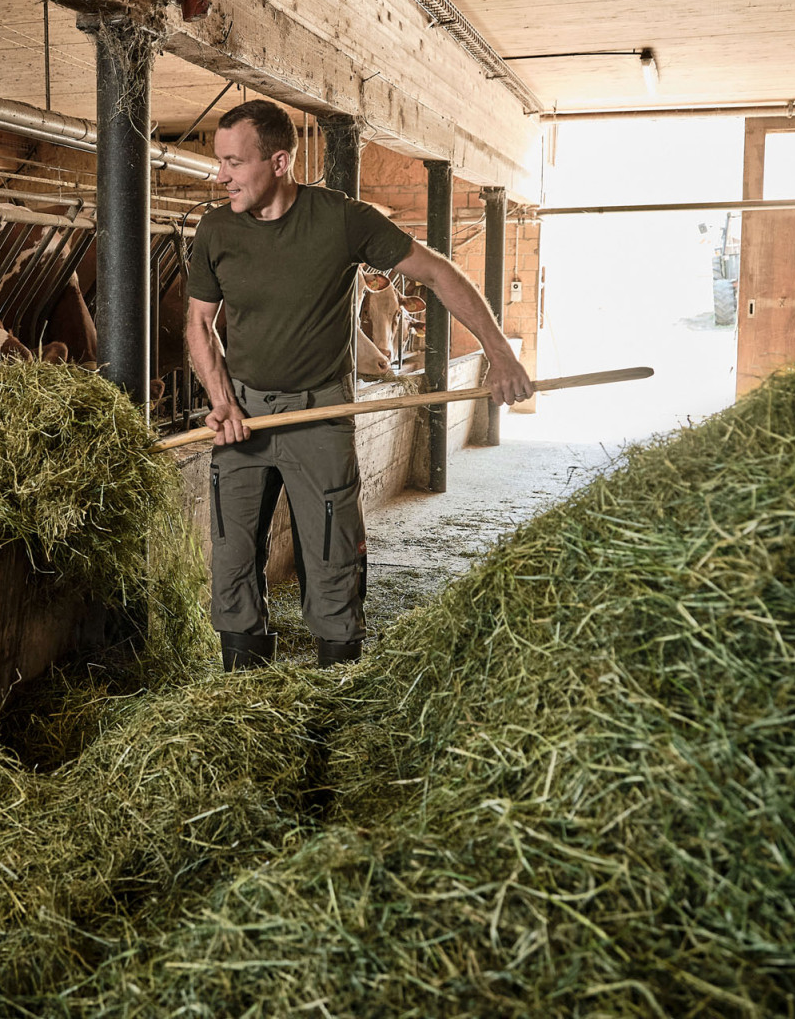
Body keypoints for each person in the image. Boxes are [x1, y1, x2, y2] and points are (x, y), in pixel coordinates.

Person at [185, 100, 534, 671]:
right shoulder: (217, 228)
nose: (220, 175)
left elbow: (439, 272)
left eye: (232, 162)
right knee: (231, 553)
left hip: (318, 413)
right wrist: (221, 401)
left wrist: (500, 355)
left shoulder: (340, 219)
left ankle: (336, 683)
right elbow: (200, 322)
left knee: (332, 552)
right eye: (219, 162)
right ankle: (243, 689)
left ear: (279, 161)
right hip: (243, 413)